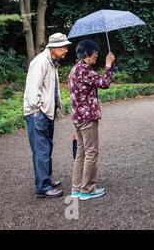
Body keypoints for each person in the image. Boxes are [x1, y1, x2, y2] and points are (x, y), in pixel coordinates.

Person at [24, 32, 72, 198]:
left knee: (46, 147)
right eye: (63, 47)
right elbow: (32, 89)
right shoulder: (40, 62)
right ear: (53, 48)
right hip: (38, 113)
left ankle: (46, 178)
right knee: (41, 149)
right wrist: (37, 111)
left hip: (46, 112)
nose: (66, 50)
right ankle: (42, 187)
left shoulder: (52, 62)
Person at [68, 40, 115, 200]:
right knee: (91, 152)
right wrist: (109, 65)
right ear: (87, 53)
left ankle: (76, 189)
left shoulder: (75, 69)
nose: (97, 55)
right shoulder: (84, 70)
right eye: (95, 52)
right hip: (87, 118)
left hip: (78, 117)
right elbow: (105, 83)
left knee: (81, 152)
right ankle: (87, 189)